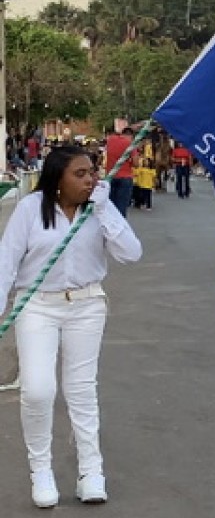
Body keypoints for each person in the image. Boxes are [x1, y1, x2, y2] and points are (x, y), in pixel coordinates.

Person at [0, 146, 142, 507]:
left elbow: (131, 253)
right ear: (57, 179)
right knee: (37, 390)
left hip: (87, 304)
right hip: (37, 305)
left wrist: (105, 208)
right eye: (79, 174)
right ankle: (41, 471)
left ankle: (91, 472)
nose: (90, 179)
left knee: (81, 391)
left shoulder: (98, 209)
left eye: (91, 172)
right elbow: (6, 263)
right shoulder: (31, 209)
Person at [103, 128, 137, 217]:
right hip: (125, 177)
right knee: (121, 206)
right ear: (131, 136)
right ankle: (119, 227)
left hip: (111, 176)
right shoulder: (130, 144)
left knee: (110, 206)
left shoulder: (111, 140)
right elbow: (136, 163)